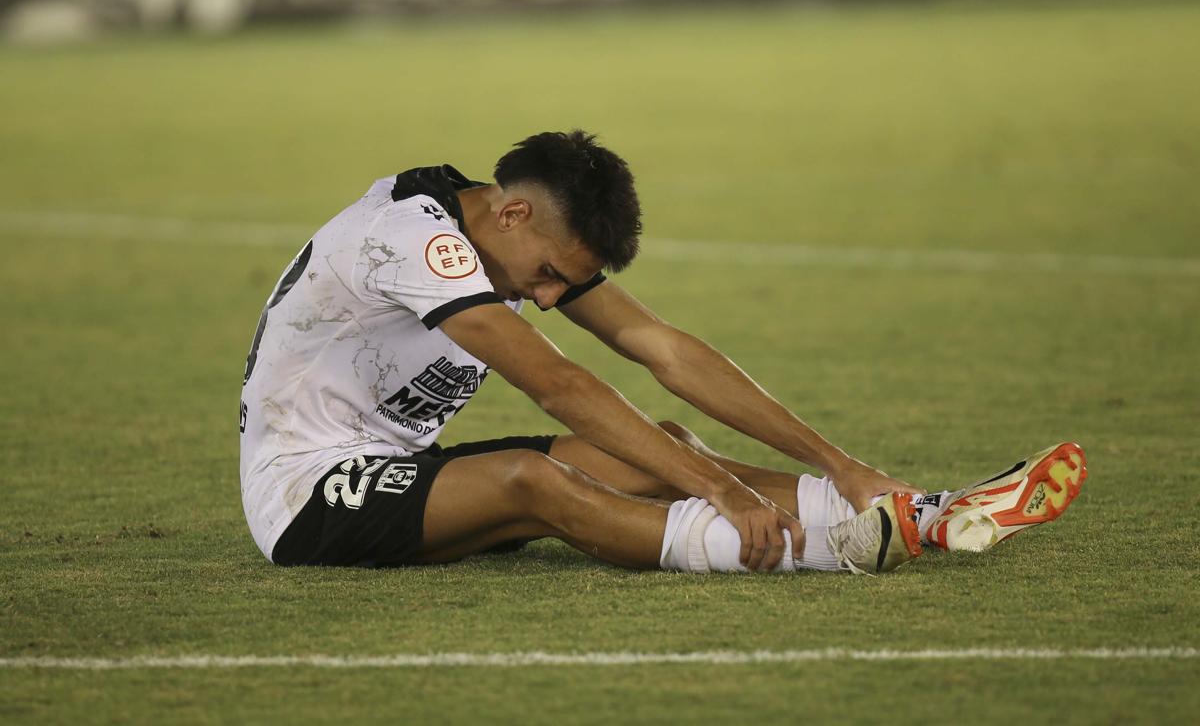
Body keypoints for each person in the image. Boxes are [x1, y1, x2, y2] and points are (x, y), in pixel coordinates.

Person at [239, 130, 1086, 575]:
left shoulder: (509, 235)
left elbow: (661, 350)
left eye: (558, 287)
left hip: (397, 468)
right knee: (535, 481)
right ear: (513, 215)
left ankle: (919, 513)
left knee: (666, 448)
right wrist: (722, 493)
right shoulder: (411, 239)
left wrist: (843, 462)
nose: (542, 296)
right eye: (544, 278)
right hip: (307, 494)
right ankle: (828, 550)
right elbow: (559, 385)